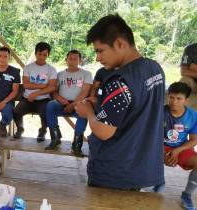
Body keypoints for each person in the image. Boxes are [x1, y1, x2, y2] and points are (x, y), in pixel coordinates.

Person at [75, 14, 165, 190]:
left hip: (115, 173)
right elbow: (135, 108)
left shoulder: (120, 81)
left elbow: (103, 131)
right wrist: (100, 104)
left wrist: (88, 111)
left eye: (100, 51)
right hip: (144, 168)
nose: (97, 58)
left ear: (119, 44)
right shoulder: (154, 68)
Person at [151, 82, 197, 209]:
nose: (174, 102)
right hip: (158, 145)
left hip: (180, 148)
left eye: (179, 98)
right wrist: (162, 153)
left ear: (186, 100)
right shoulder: (159, 112)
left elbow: (194, 140)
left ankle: (186, 195)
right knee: (143, 155)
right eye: (171, 97)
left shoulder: (193, 116)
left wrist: (177, 150)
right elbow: (151, 137)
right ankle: (158, 182)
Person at [45, 50, 92, 153]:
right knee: (50, 105)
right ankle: (55, 138)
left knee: (83, 112)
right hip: (62, 103)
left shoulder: (86, 74)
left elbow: (84, 92)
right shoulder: (60, 74)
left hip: (78, 103)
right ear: (66, 60)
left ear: (80, 61)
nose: (72, 61)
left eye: (75, 59)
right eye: (70, 59)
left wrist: (72, 105)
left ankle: (77, 143)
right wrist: (60, 99)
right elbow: (54, 91)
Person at [13, 42, 57, 141]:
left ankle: (42, 131)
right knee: (16, 111)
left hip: (43, 99)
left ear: (48, 55)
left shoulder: (51, 70)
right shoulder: (28, 68)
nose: (41, 57)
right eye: (39, 54)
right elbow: (26, 85)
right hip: (27, 98)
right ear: (35, 53)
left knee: (45, 112)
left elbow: (52, 87)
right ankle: (20, 128)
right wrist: (42, 85)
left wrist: (36, 92)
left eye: (44, 55)